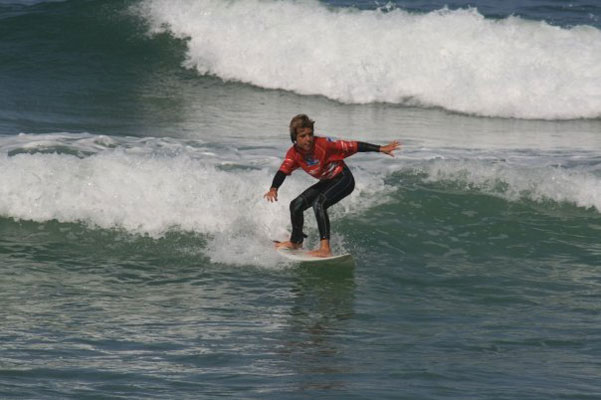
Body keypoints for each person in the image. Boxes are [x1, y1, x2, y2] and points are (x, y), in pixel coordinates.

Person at [264, 114, 400, 257]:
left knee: (319, 203)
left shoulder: (324, 144)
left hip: (343, 179)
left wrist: (380, 148)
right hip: (327, 181)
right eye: (303, 136)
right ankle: (296, 241)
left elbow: (354, 145)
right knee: (296, 205)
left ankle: (325, 249)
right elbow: (282, 171)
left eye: (310, 134)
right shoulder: (293, 154)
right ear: (295, 139)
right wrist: (274, 189)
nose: (308, 139)